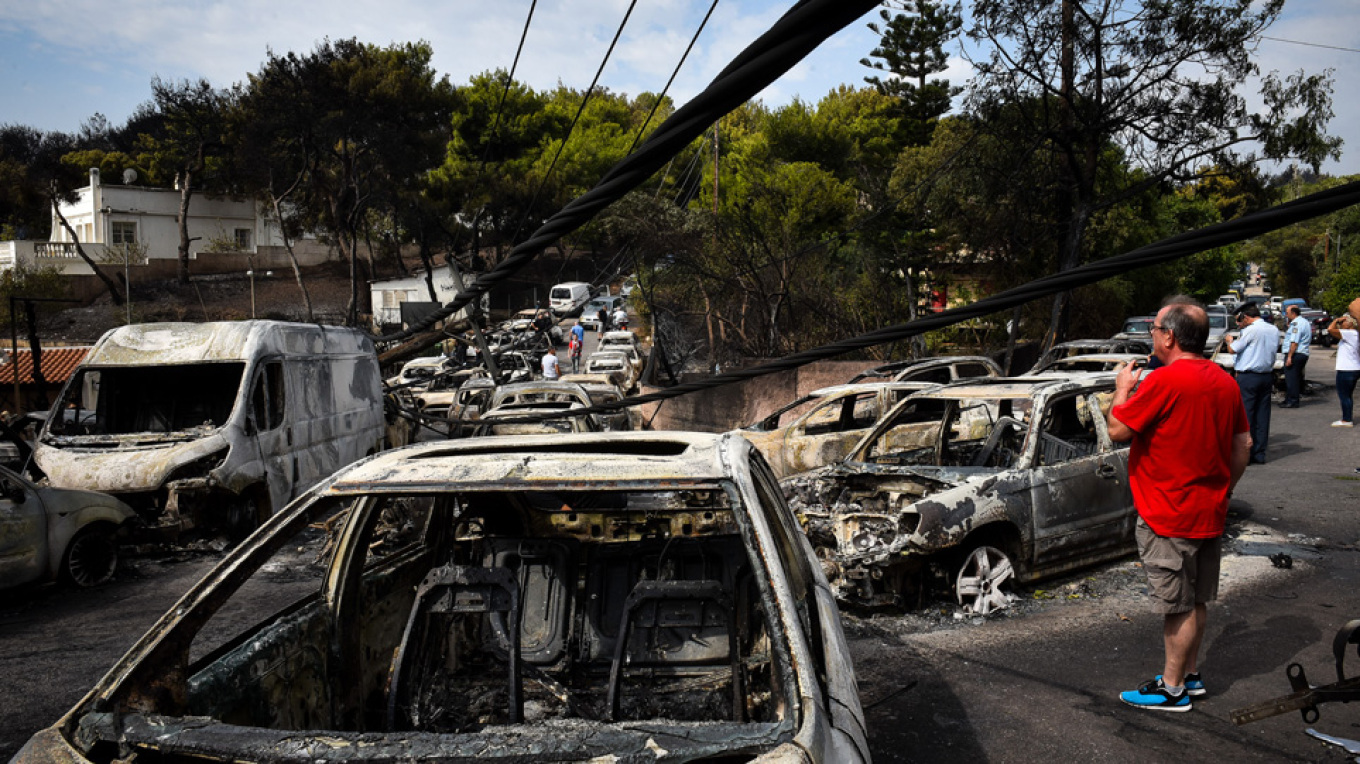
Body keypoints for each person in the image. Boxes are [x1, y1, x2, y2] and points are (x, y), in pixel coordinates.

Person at [1106, 298, 1251, 712]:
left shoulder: (1164, 382)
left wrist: (1122, 390)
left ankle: (1171, 689)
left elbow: (1118, 429)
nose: (1151, 335)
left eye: (1154, 328)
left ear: (1169, 335)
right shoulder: (1225, 382)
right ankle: (1188, 675)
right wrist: (1224, 489)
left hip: (1167, 513)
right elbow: (1243, 444)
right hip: (1208, 511)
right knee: (1197, 599)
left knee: (1177, 606)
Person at [1227, 302, 1276, 464]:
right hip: (1267, 375)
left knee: (1246, 415)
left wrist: (1229, 341)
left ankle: (1245, 453)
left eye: (1239, 320)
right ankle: (1259, 453)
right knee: (1263, 415)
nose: (1239, 323)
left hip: (1248, 377)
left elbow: (1233, 349)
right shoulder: (1273, 329)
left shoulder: (1250, 330)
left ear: (1246, 317)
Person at [1329, 312, 1360, 427]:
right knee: (1347, 395)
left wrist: (1336, 320)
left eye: (1343, 322)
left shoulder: (1350, 333)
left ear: (1351, 323)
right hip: (1353, 368)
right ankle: (1347, 418)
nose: (1341, 324)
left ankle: (1347, 420)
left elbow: (1330, 329)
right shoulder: (1355, 334)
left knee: (1344, 395)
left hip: (1347, 369)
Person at [1281, 305, 1313, 408]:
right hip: (1302, 353)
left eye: (1287, 313)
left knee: (1291, 379)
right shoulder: (1304, 322)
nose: (1286, 314)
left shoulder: (1297, 324)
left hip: (1296, 354)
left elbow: (1294, 342)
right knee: (1294, 378)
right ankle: (1288, 399)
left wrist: (1290, 357)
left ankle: (1293, 401)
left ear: (1293, 313)